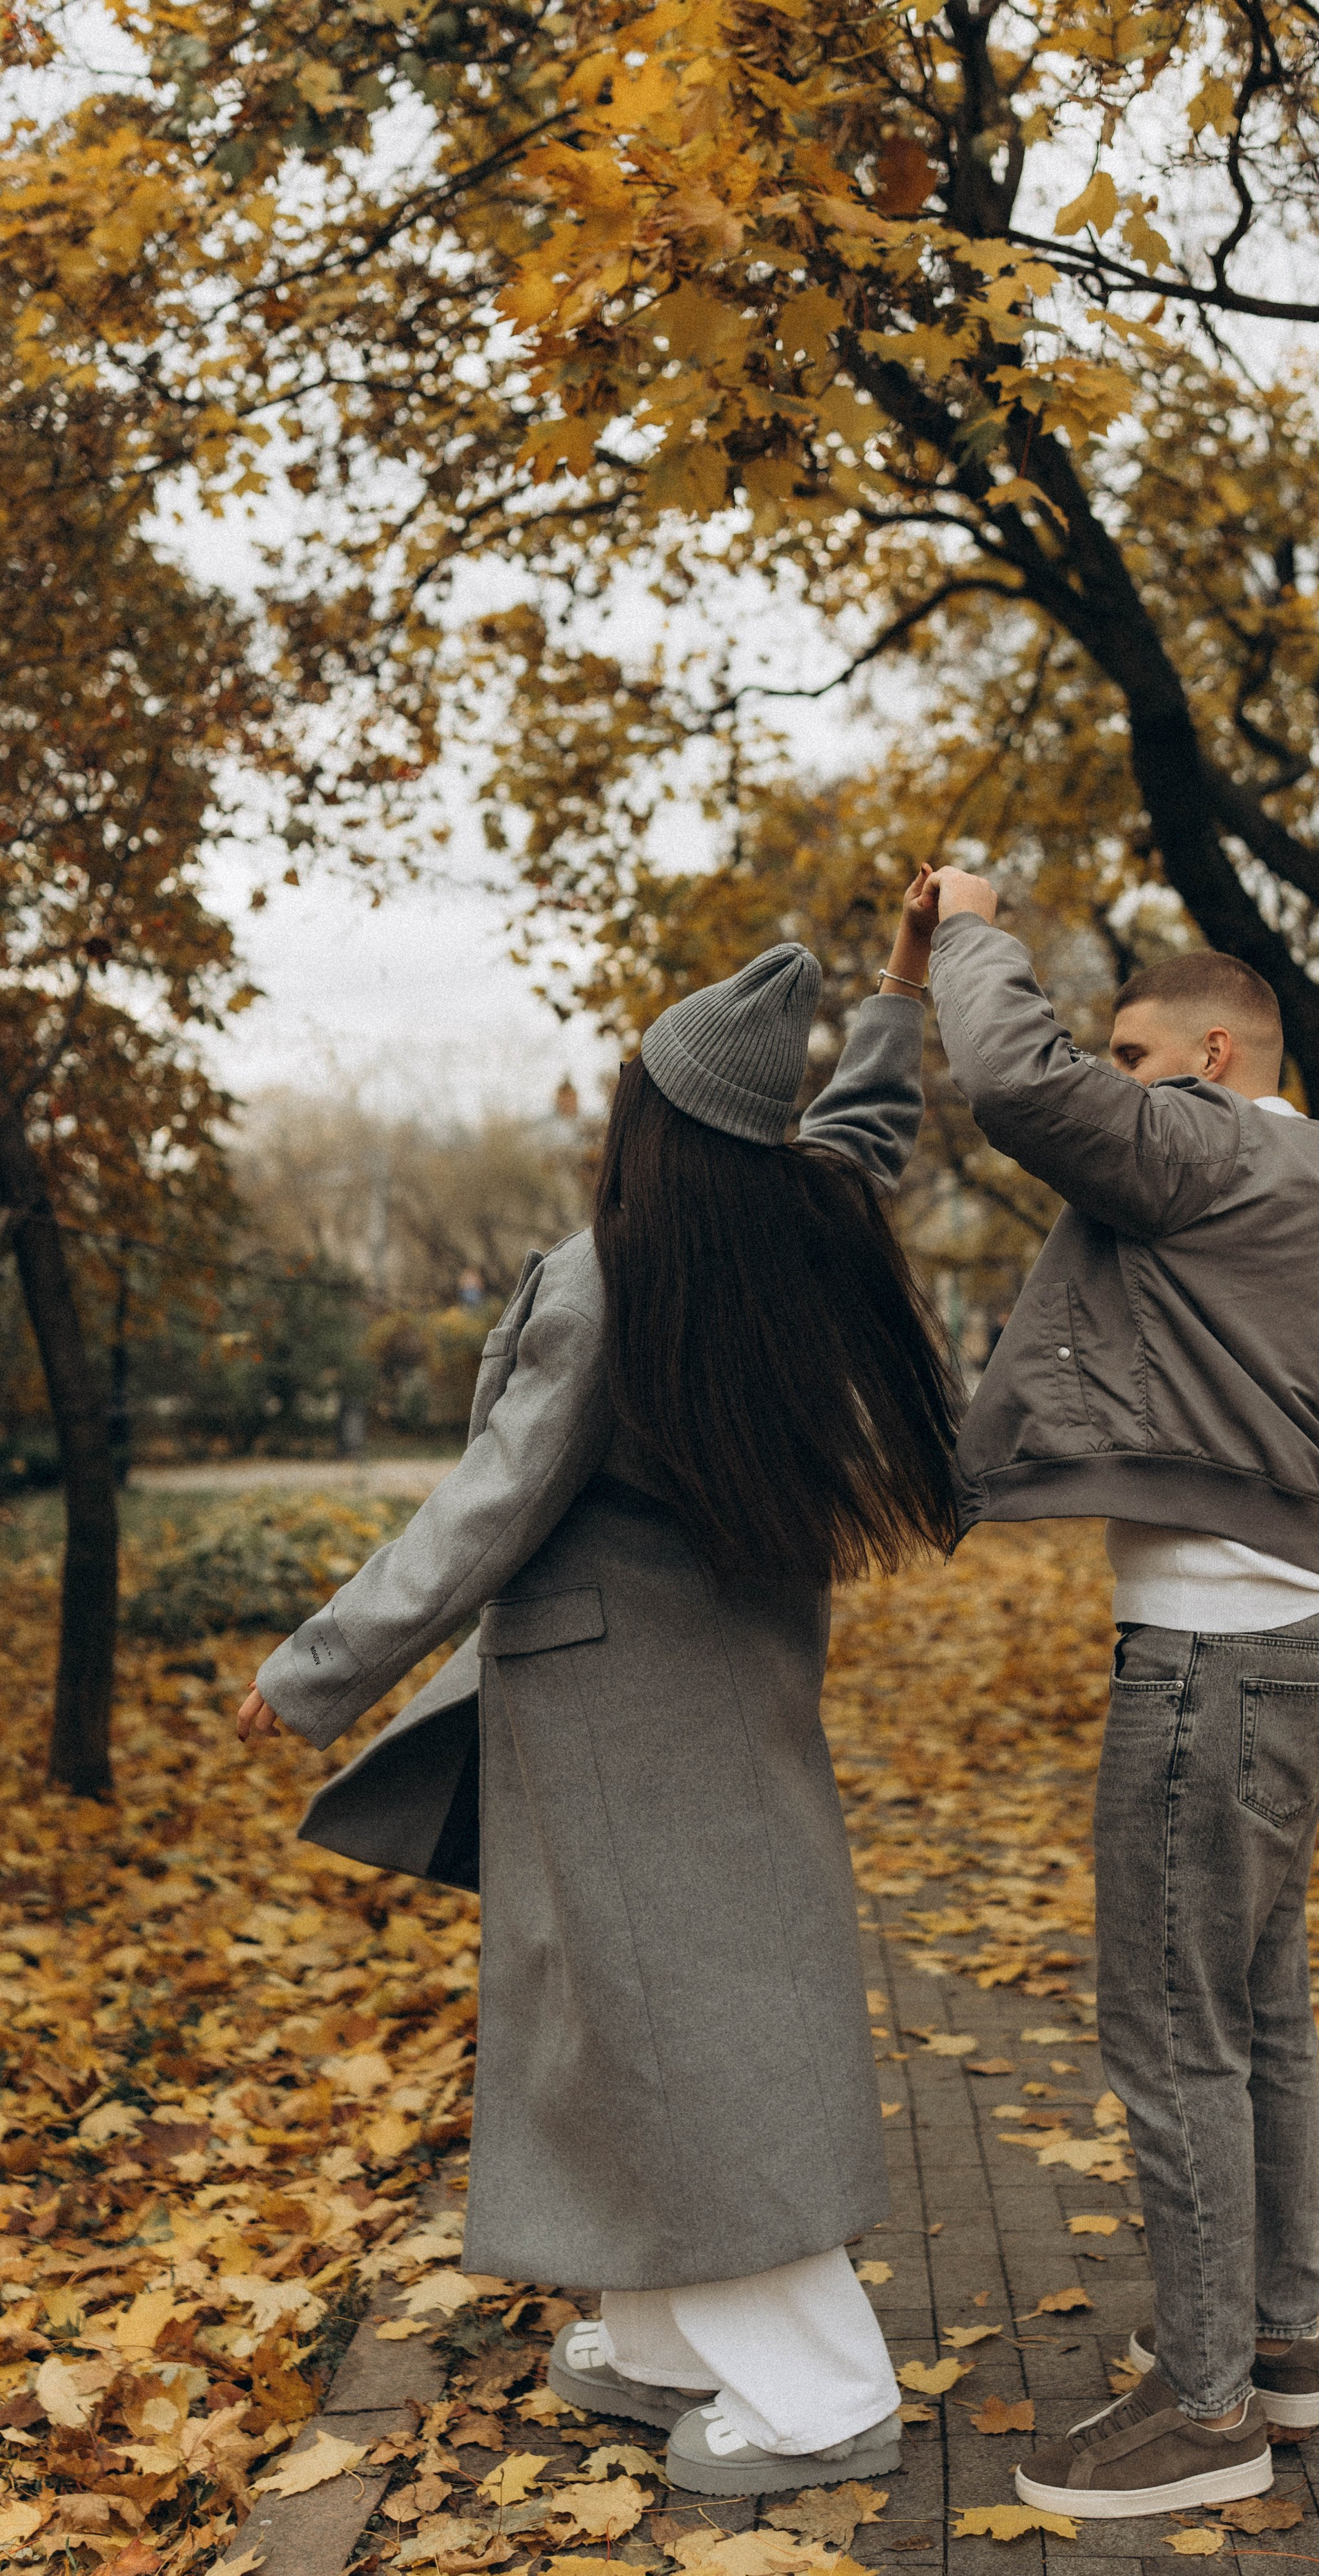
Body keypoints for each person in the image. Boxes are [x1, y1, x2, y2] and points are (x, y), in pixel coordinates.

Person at [234, 879, 960, 2495]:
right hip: (722, 1696)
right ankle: (659, 2344)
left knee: (669, 2033)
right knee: (633, 2029)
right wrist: (898, 991)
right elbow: (869, 1129)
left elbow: (486, 1507)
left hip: (613, 1719)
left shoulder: (608, 1278)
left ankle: (823, 2396)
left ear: (645, 1120)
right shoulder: (794, 1231)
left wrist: (313, 1672)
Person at [923, 867, 1319, 2520]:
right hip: (1289, 1637)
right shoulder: (1312, 1175)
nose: (1110, 1080)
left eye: (1132, 1052)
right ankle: (1271, 2355)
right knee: (1255, 2015)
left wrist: (973, 931)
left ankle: (1205, 2414)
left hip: (1215, 1653)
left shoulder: (1217, 1143)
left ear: (1209, 1057)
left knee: (1169, 2028)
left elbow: (1009, 1083)